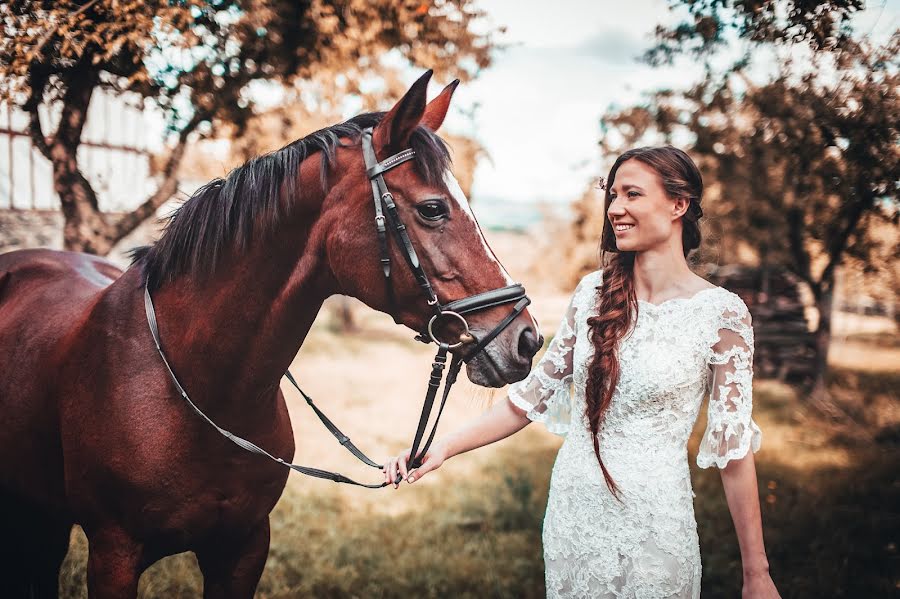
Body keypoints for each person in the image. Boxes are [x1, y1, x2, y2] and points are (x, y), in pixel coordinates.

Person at [384, 146, 780, 598]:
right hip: (575, 521)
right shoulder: (593, 293)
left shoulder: (722, 315)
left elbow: (733, 451)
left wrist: (757, 573)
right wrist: (442, 448)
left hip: (657, 528)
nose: (616, 209)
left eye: (632, 195)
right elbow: (528, 400)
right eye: (612, 196)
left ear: (678, 205)